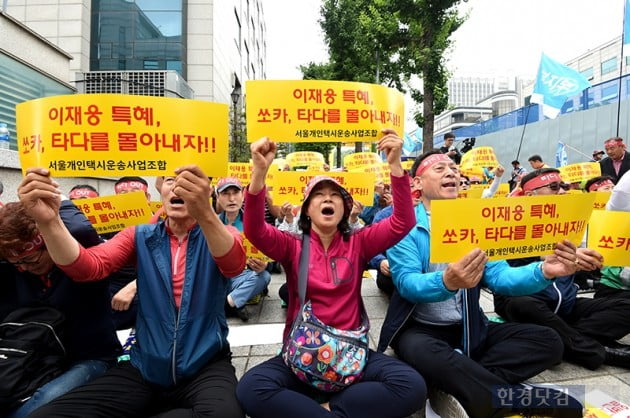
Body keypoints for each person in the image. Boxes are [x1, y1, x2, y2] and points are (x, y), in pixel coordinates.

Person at [20, 165, 246, 418]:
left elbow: (234, 264)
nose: (179, 186)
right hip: (144, 366)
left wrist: (204, 212)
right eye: (171, 180)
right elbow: (86, 267)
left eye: (190, 181)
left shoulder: (223, 234)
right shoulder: (140, 236)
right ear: (160, 188)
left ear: (206, 191)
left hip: (206, 366)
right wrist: (49, 222)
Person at [377, 150, 584, 418]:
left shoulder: (477, 221)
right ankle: (512, 399)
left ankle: (460, 384)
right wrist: (446, 281)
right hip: (421, 330)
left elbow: (500, 277)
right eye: (439, 169)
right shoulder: (403, 226)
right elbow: (406, 283)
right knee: (424, 352)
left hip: (470, 327)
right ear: (416, 183)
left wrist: (544, 270)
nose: (451, 172)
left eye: (453, 167)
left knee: (549, 341)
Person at [236, 132, 427, 418]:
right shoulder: (292, 245)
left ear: (345, 208)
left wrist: (396, 165)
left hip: (352, 356)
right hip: (300, 357)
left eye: (335, 195)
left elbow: (403, 221)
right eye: (319, 195)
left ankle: (328, 410)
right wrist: (260, 171)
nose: (328, 199)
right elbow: (255, 230)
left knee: (411, 385)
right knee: (251, 389)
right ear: (307, 210)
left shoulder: (360, 241)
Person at [494, 168, 630, 371]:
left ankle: (566, 337)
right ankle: (597, 351)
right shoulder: (509, 224)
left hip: (565, 304)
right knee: (525, 305)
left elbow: (586, 254)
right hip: (525, 300)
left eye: (564, 186)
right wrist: (544, 256)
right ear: (531, 195)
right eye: (554, 187)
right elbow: (504, 269)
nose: (562, 191)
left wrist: (590, 261)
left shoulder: (574, 224)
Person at [0, 201, 121, 418]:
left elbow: (80, 229)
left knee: (35, 410)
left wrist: (48, 206)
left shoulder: (83, 261)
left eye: (29, 259)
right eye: (15, 262)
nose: (24, 267)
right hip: (31, 358)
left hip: (89, 358)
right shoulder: (14, 272)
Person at [215, 176, 271, 321]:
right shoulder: (212, 224)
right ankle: (235, 302)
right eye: (226, 194)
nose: (231, 198)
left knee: (263, 277)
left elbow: (268, 255)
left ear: (243, 195)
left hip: (243, 275)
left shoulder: (255, 224)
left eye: (235, 193)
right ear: (218, 197)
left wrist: (263, 265)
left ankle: (227, 304)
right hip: (218, 276)